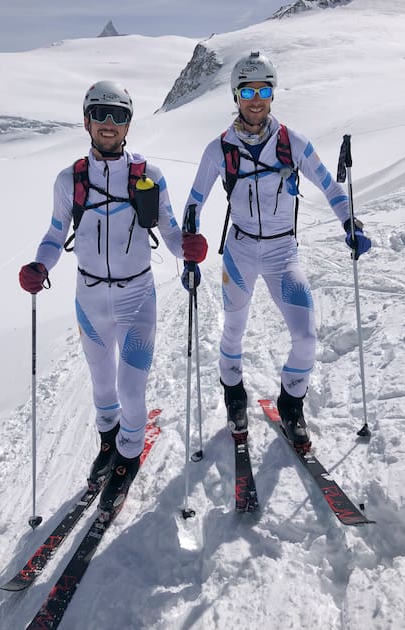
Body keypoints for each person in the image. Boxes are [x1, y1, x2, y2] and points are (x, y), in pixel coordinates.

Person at [181, 52, 371, 449]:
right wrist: (190, 248)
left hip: (284, 252)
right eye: (248, 90)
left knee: (306, 337)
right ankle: (234, 393)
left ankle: (291, 401)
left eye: (264, 90)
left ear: (272, 93)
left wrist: (350, 222)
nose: (256, 99)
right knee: (233, 330)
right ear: (236, 95)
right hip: (241, 250)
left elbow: (330, 187)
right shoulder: (219, 150)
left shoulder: (293, 142)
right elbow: (194, 202)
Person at [19, 80, 188, 515]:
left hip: (137, 298)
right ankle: (109, 439)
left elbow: (169, 229)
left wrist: (187, 250)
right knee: (101, 386)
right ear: (86, 121)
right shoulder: (70, 179)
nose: (108, 124)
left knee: (131, 389)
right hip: (89, 299)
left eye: (117, 116)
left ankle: (127, 457)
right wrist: (40, 265)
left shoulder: (148, 176)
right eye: (100, 114)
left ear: (128, 123)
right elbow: (56, 234)